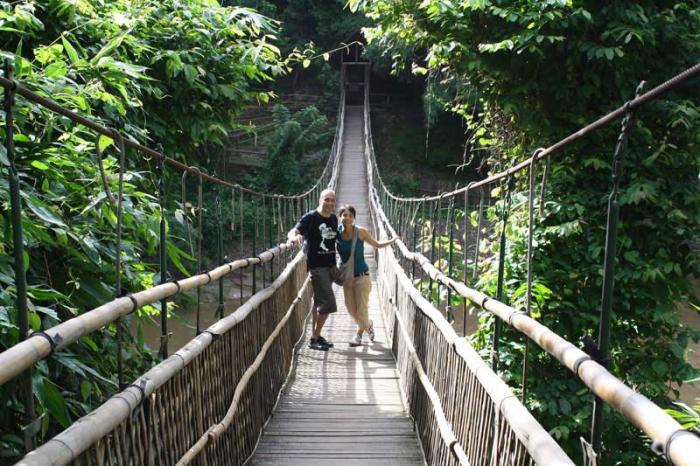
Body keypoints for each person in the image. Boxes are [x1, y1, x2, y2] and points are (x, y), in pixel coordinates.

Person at [337, 204, 398, 346]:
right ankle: (369, 325)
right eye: (344, 215)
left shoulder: (361, 232)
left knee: (362, 309)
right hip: (347, 277)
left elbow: (376, 244)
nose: (347, 218)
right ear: (340, 217)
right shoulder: (336, 233)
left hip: (362, 276)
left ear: (354, 218)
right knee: (351, 309)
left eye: (350, 215)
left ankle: (358, 336)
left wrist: (392, 240)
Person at [288, 188, 338, 351]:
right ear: (320, 200)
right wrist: (293, 237)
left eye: (332, 200)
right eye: (327, 199)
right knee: (329, 302)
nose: (330, 203)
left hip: (330, 266)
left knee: (319, 302)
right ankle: (314, 338)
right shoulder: (311, 217)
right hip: (317, 267)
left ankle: (317, 335)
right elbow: (295, 230)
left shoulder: (334, 219)